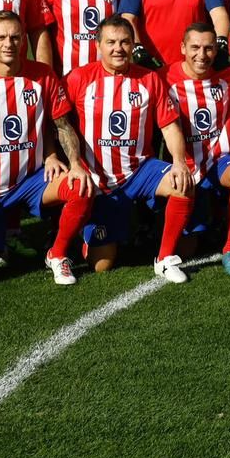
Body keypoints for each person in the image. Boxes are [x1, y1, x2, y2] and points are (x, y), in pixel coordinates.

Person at [0, 10, 89, 289]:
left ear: (24, 39)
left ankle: (57, 253)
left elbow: (61, 125)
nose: (8, 44)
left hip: (31, 181)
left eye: (14, 37)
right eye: (1, 37)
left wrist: (74, 163)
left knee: (81, 185)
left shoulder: (43, 76)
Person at [53, 16, 196, 282]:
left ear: (132, 45)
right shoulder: (79, 78)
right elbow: (59, 122)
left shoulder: (150, 79)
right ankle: (81, 236)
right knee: (102, 264)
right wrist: (71, 162)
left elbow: (169, 126)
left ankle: (165, 259)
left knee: (183, 183)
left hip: (139, 170)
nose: (118, 48)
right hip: (97, 178)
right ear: (98, 45)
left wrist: (178, 161)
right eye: (111, 42)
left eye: (124, 42)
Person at [164, 22, 230, 276]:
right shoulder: (164, 78)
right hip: (187, 166)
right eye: (194, 47)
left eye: (208, 48)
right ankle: (210, 219)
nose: (201, 55)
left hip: (219, 159)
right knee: (187, 249)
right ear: (182, 47)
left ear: (217, 50)